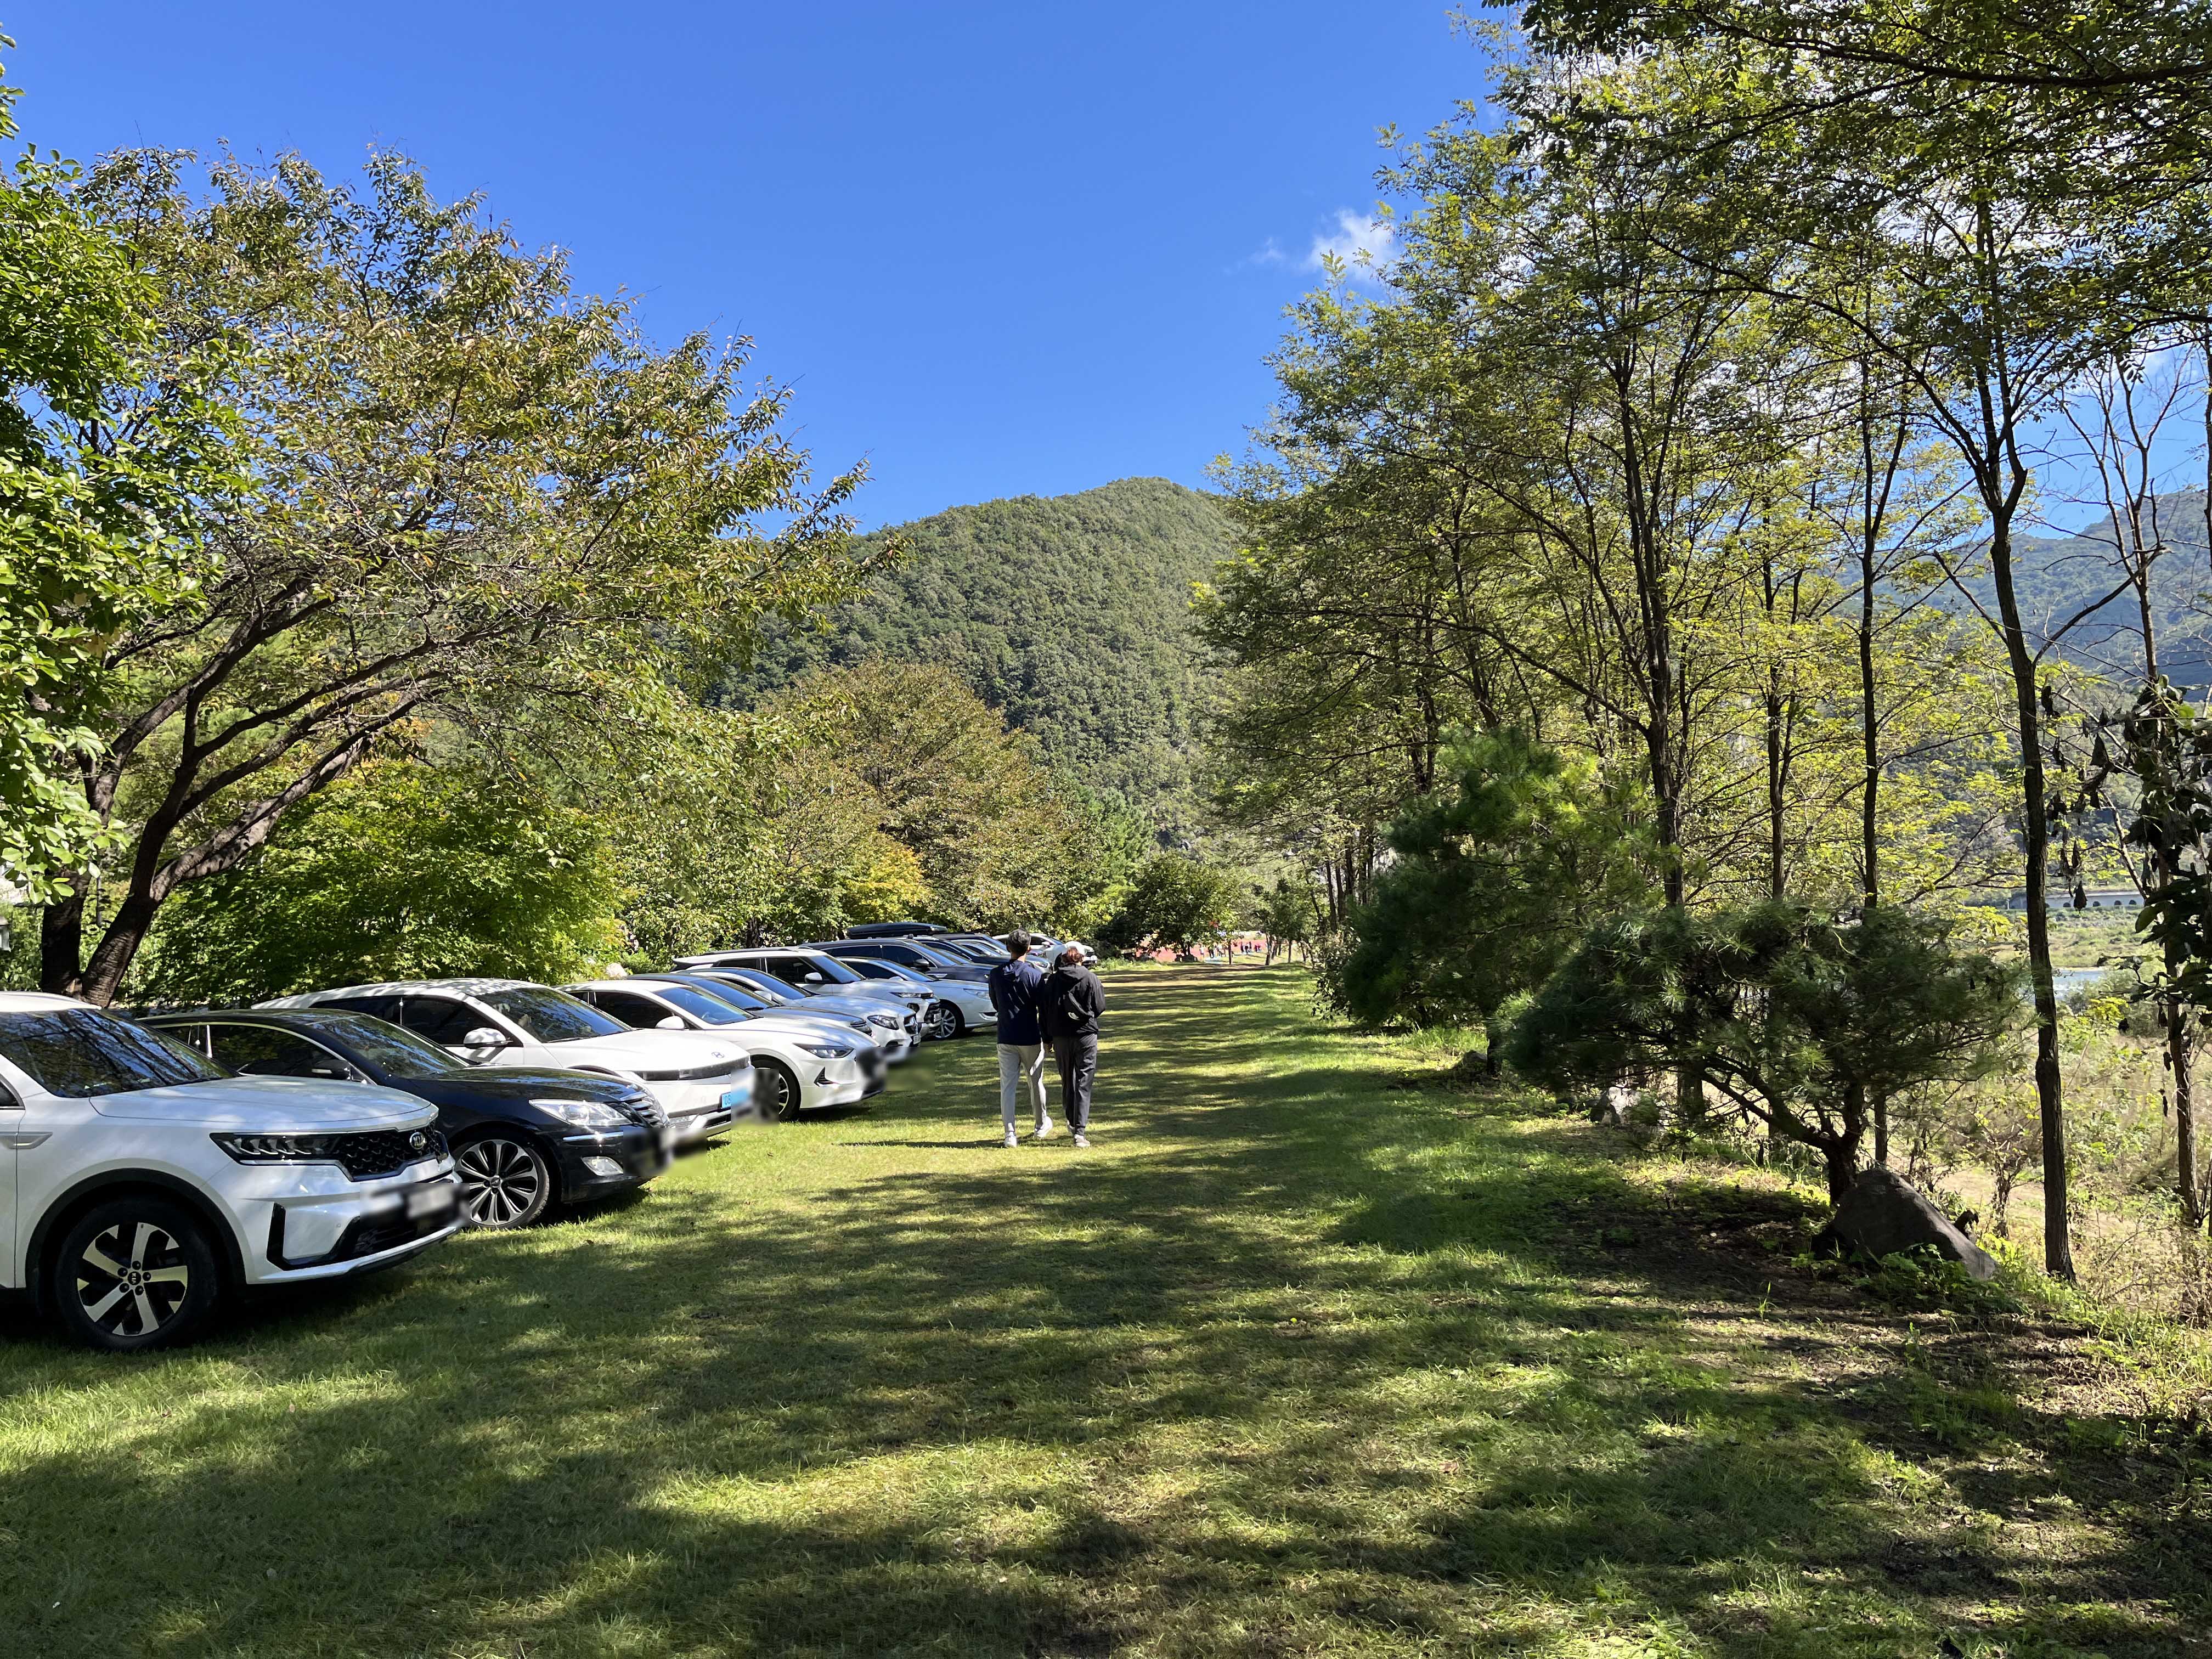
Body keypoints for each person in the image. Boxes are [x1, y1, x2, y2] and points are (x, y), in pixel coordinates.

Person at [985, 929, 1051, 1147]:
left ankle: (1010, 1134)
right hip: (1030, 1035)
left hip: (1005, 1035)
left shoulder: (996, 974)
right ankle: (1040, 1125)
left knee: (1008, 1086)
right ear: (1029, 949)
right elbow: (1043, 1007)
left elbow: (996, 1003)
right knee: (1035, 1082)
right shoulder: (1034, 974)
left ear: (1008, 948)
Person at [1037, 939, 1105, 1148]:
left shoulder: (1052, 981)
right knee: (1083, 1082)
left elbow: (1045, 1013)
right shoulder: (1090, 978)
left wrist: (1047, 1039)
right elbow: (1100, 1006)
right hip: (1086, 1036)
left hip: (1061, 1037)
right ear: (1082, 958)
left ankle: (1071, 1121)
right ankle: (1080, 1131)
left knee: (1067, 1080)